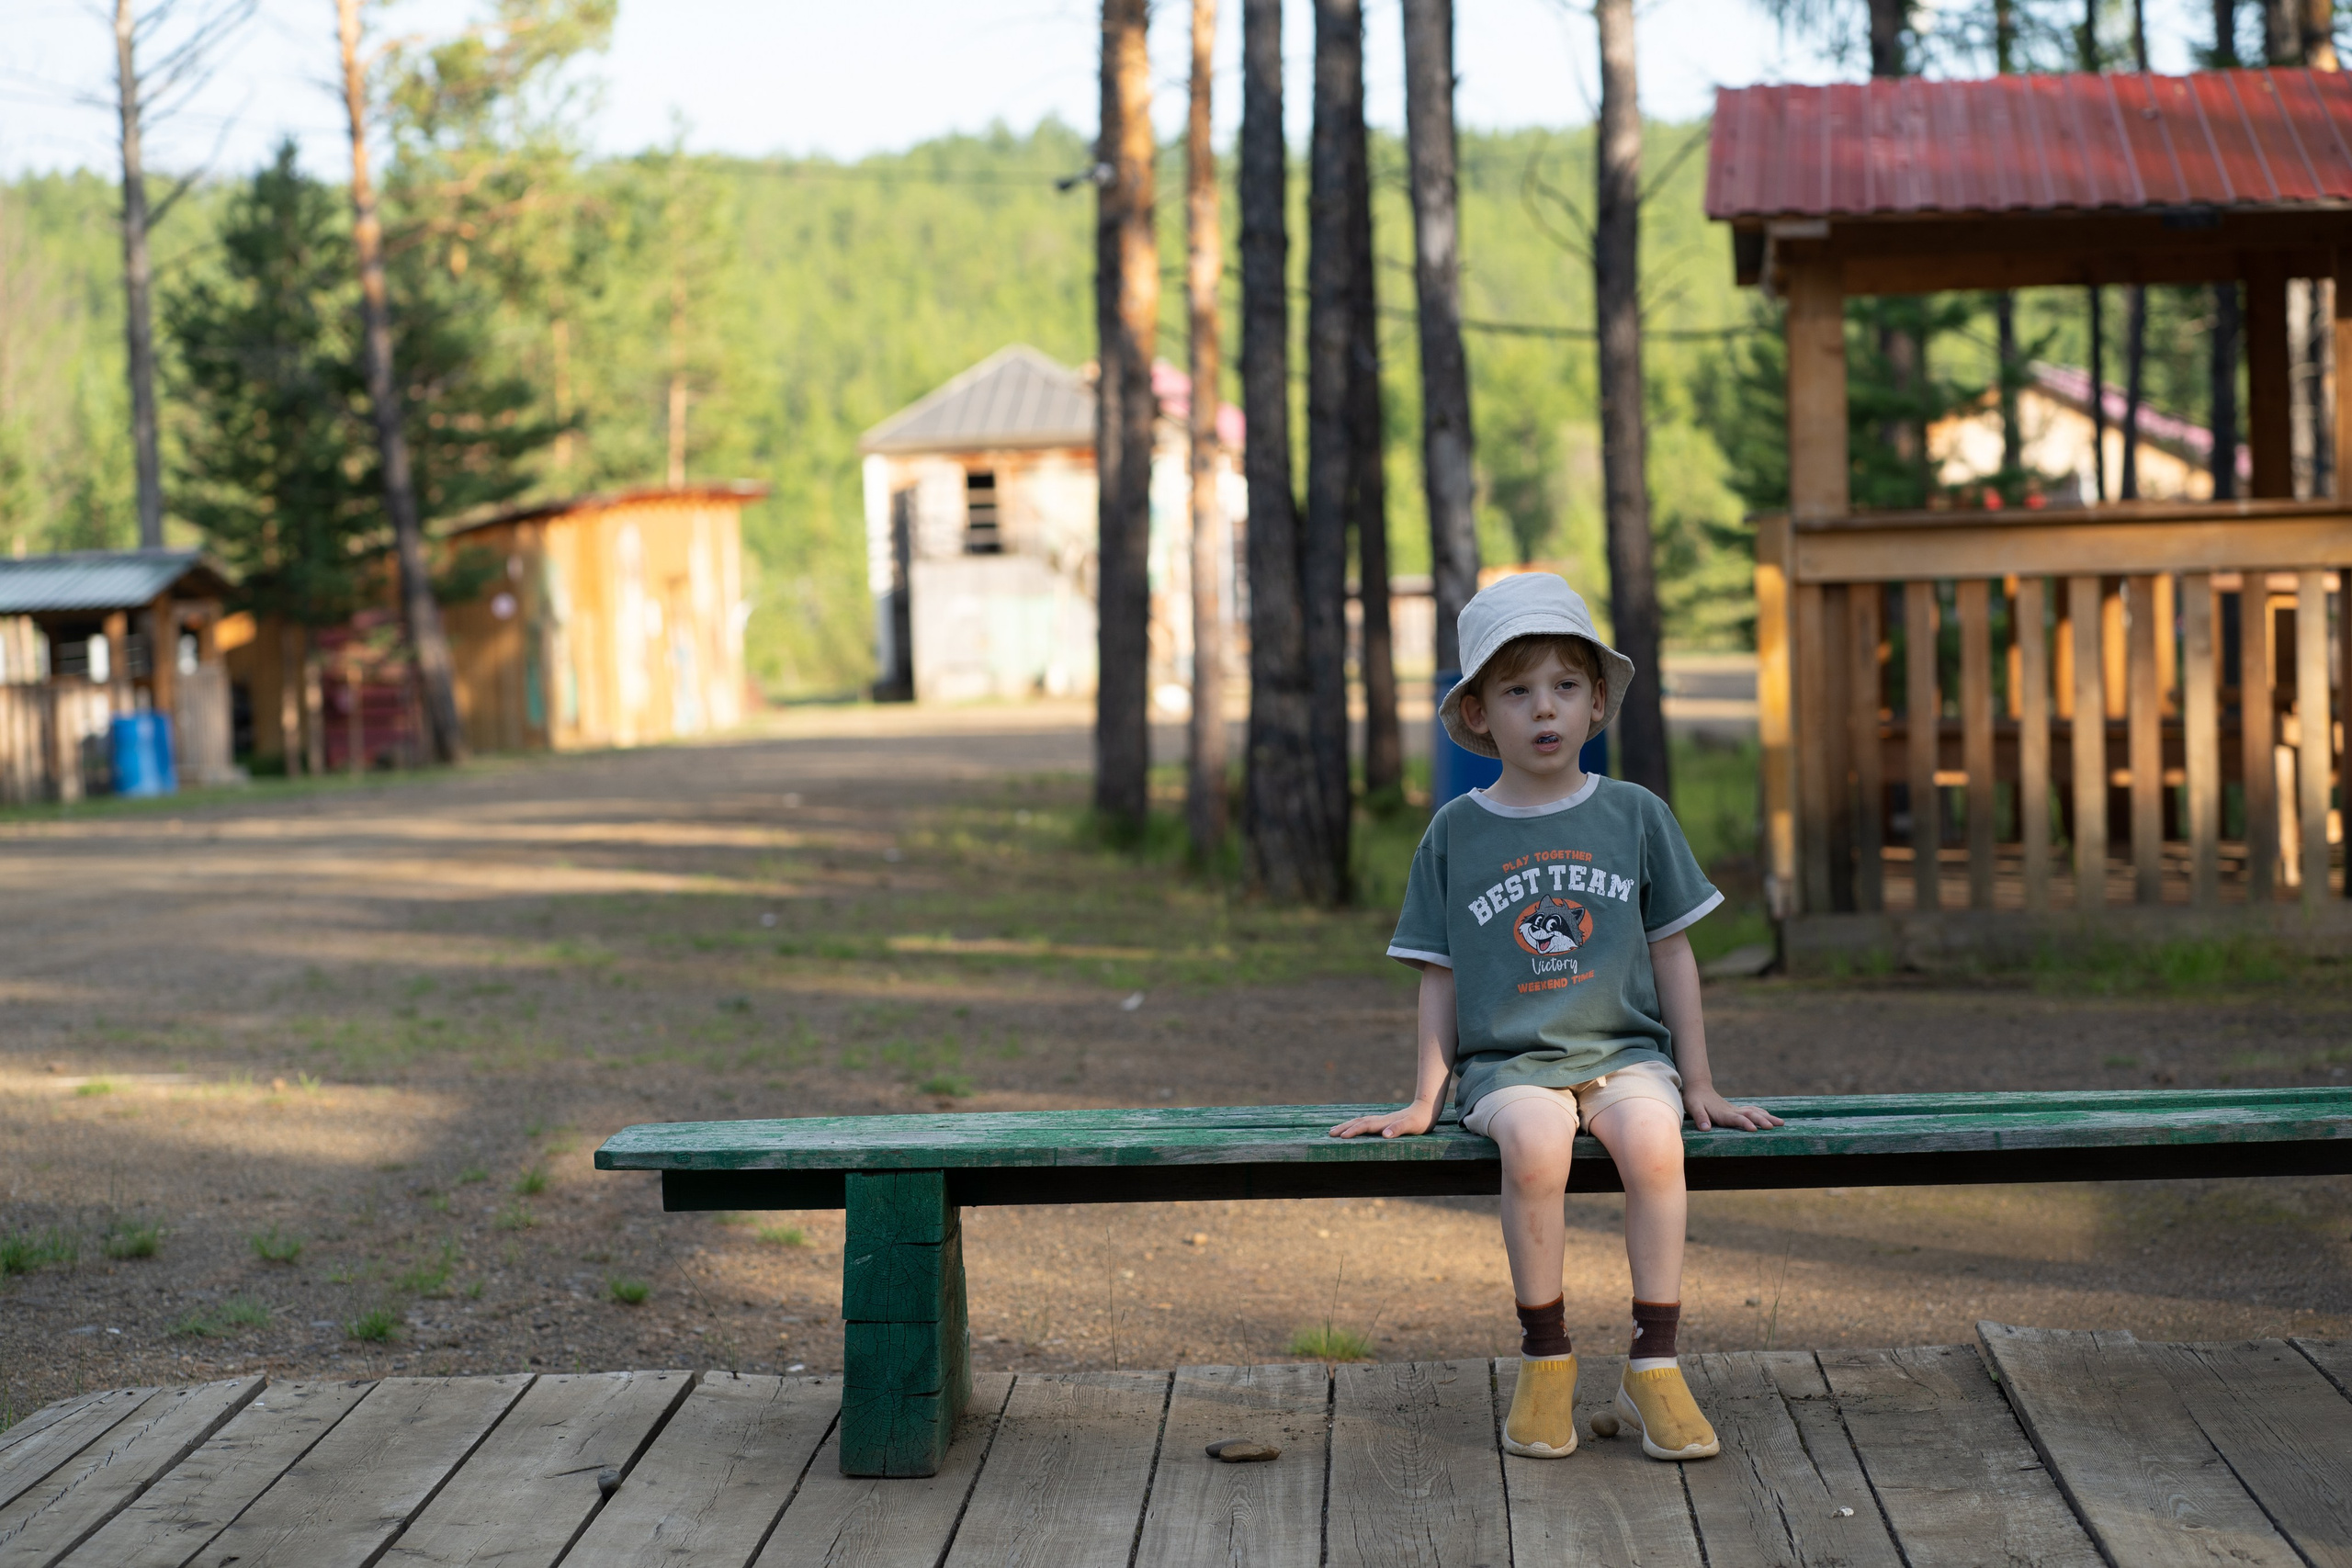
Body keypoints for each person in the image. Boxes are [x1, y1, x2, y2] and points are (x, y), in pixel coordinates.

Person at [1330, 571, 1781, 1461]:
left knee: (1656, 1146)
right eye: (1517, 690)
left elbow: (1673, 952)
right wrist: (1424, 1099)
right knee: (1535, 1148)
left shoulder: (1634, 814)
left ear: (1596, 701)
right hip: (1510, 1066)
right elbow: (1437, 974)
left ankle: (1653, 1364)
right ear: (1476, 716)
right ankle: (1546, 1362)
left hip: (1625, 1057)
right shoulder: (1457, 831)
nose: (1544, 710)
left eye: (1564, 687)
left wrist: (1699, 1082)